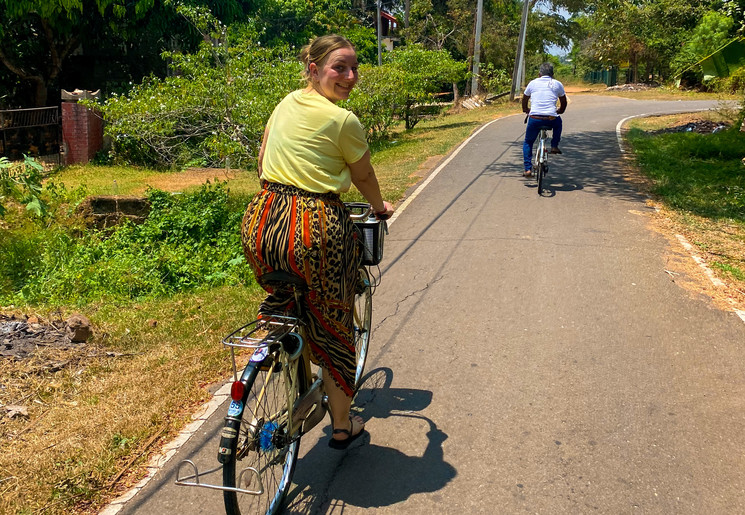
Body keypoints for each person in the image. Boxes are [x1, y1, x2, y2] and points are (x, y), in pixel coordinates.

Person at [241, 34, 394, 450]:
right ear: (313, 69)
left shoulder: (286, 103)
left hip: (262, 221)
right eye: (339, 67)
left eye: (354, 68)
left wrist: (279, 201)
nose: (350, 76)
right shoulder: (344, 121)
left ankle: (289, 350)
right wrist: (379, 206)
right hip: (315, 227)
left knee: (290, 302)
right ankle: (342, 424)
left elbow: (262, 158)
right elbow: (363, 177)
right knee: (336, 323)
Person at [521, 62, 567, 177]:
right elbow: (563, 102)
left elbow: (525, 98)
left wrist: (526, 109)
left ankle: (527, 169)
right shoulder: (557, 84)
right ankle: (554, 145)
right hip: (551, 118)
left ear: (539, 74)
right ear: (552, 74)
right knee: (558, 123)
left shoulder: (532, 83)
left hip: (535, 118)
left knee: (528, 142)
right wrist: (560, 111)